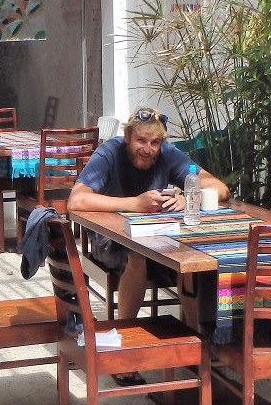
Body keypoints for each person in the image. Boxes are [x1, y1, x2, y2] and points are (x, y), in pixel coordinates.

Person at [68, 107, 230, 383]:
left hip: (158, 237)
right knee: (138, 255)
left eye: (155, 143)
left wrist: (192, 196)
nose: (148, 149)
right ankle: (124, 350)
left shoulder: (167, 154)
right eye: (141, 141)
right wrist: (133, 204)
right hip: (109, 239)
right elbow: (76, 201)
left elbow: (221, 188)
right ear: (128, 136)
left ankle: (194, 341)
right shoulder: (109, 153)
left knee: (192, 254)